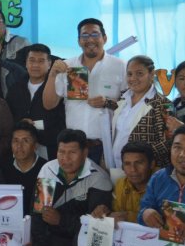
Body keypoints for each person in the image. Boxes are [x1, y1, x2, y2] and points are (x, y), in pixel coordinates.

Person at [31, 129, 112, 246]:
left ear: (85, 153)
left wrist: (61, 220)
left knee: (90, 240)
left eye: (72, 153)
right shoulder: (48, 171)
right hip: (55, 237)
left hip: (80, 239)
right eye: (61, 152)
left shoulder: (99, 178)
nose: (65, 159)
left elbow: (96, 227)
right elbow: (38, 214)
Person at [42, 18, 126, 166]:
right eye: (85, 36)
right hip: (73, 148)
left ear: (104, 38)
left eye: (95, 34)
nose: (90, 40)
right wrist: (52, 74)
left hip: (106, 146)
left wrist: (107, 103)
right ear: (79, 41)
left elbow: (130, 107)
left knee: (104, 187)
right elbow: (49, 104)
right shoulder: (67, 65)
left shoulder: (120, 66)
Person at [139, 124, 185, 237]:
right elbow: (144, 209)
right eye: (177, 147)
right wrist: (145, 213)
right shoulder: (158, 178)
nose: (183, 154)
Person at [5, 43, 66, 160]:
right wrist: (21, 123)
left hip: (50, 147)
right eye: (32, 60)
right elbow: (8, 116)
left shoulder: (58, 87)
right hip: (20, 148)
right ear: (26, 63)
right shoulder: (15, 88)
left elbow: (63, 120)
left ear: (49, 64)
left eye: (41, 61)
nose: (35, 65)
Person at [111, 55, 172, 170]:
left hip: (142, 173)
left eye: (139, 73)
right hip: (116, 168)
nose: (133, 78)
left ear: (151, 74)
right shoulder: (122, 99)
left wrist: (137, 160)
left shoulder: (163, 104)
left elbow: (167, 143)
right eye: (129, 74)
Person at [91, 141, 155, 224]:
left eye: (139, 163)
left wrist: (129, 217)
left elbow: (167, 223)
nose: (133, 169)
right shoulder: (121, 184)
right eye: (127, 164)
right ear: (122, 167)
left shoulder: (164, 185)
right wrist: (105, 212)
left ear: (152, 164)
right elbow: (116, 214)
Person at [0, 122, 47, 216]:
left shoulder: (46, 169)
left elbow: (42, 209)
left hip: (36, 225)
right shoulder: (2, 167)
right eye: (15, 141)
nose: (19, 145)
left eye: (25, 141)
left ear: (35, 145)